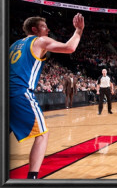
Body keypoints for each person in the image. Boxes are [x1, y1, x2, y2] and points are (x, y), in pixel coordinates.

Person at [9, 13, 84, 179]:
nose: (48, 29)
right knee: (42, 135)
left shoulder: (14, 45)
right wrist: (78, 30)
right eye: (44, 26)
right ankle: (32, 178)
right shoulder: (39, 40)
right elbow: (69, 48)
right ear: (35, 29)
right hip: (20, 93)